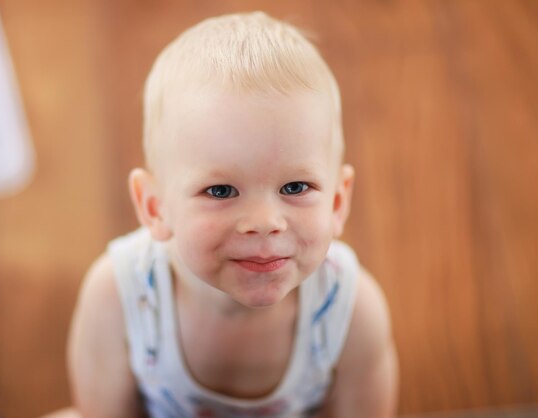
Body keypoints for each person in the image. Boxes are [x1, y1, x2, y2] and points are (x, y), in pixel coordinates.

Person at [67, 11, 398, 418]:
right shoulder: (120, 294)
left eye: (295, 187)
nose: (263, 221)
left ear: (336, 202)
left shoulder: (350, 308)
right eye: (220, 190)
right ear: (155, 207)